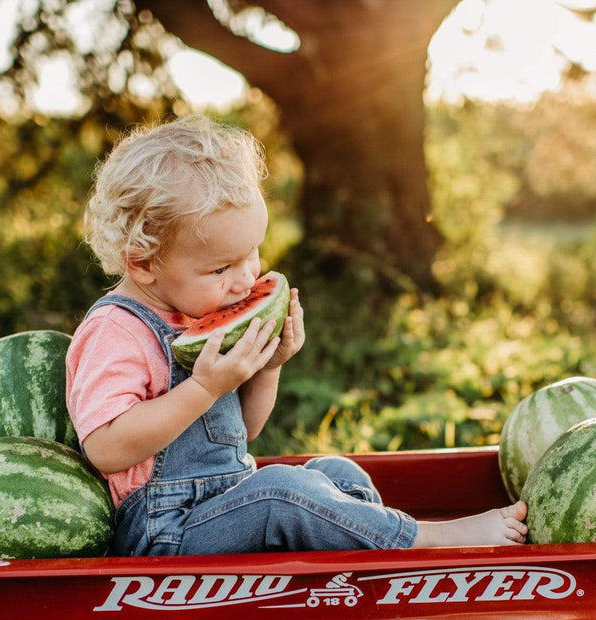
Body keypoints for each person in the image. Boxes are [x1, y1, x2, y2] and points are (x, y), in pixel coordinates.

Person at [66, 114, 527, 557]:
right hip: (165, 532)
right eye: (221, 267)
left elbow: (242, 432)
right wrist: (204, 387)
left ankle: (370, 566)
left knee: (335, 473)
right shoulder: (116, 330)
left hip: (228, 502)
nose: (247, 279)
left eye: (253, 254)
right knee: (285, 492)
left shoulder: (197, 311)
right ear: (142, 263)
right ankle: (423, 538)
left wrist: (268, 369)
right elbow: (106, 448)